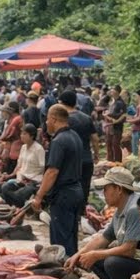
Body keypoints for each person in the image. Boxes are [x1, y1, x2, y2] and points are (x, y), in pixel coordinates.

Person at [66, 167, 140, 279]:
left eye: (106, 188)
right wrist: (78, 255)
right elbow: (103, 238)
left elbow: (129, 249)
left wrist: (96, 254)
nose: (103, 193)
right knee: (90, 258)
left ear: (119, 189)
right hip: (133, 260)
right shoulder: (120, 209)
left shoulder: (134, 210)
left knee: (111, 262)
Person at [31, 104, 84, 255]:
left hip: (63, 193)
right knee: (70, 234)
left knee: (60, 238)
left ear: (53, 119)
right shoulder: (75, 136)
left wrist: (39, 196)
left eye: (47, 119)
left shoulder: (59, 140)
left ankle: (62, 270)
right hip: (76, 190)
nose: (46, 122)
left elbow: (52, 171)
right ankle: (70, 265)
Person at [0, 124, 45, 208]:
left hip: (33, 182)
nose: (21, 136)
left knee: (14, 193)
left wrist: (30, 180)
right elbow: (19, 165)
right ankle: (10, 205)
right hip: (21, 179)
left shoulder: (39, 149)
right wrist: (10, 175)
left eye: (24, 134)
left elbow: (43, 168)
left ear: (32, 136)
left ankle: (14, 206)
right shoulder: (23, 147)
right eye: (21, 133)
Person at [103, 85, 126, 163]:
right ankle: (110, 161)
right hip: (109, 127)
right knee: (108, 144)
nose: (111, 91)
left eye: (113, 89)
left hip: (116, 127)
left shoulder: (120, 103)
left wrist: (110, 115)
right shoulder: (112, 101)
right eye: (111, 89)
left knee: (115, 145)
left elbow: (123, 115)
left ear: (117, 92)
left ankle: (117, 162)